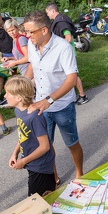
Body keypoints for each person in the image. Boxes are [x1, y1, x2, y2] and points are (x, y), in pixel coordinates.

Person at [23, 10, 84, 185]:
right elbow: (33, 67)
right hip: (40, 107)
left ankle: (80, 174)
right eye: (26, 31)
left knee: (72, 143)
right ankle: (54, 178)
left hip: (62, 106)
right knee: (46, 147)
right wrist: (22, 85)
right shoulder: (32, 43)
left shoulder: (62, 47)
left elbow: (72, 79)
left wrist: (48, 100)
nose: (27, 35)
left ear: (44, 30)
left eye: (30, 31)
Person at [6, 76, 56, 196]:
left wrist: (23, 161)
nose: (4, 96)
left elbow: (45, 147)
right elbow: (23, 134)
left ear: (18, 98)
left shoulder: (34, 117)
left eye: (7, 93)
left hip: (40, 166)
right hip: (32, 163)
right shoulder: (19, 111)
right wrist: (15, 153)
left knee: (37, 201)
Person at [45, 3, 89, 105]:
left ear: (53, 11)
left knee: (73, 75)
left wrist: (56, 48)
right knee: (67, 76)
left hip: (67, 53)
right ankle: (71, 96)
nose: (48, 15)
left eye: (48, 13)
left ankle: (83, 96)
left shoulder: (61, 22)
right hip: (63, 53)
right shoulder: (60, 19)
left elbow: (68, 38)